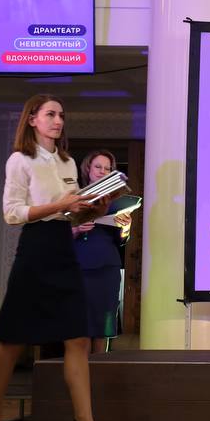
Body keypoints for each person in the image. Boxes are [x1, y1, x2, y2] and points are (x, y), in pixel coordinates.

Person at [0, 94, 113, 421]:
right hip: (35, 250)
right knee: (12, 340)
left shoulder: (66, 161)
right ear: (32, 120)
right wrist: (60, 204)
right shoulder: (20, 160)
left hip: (63, 249)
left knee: (78, 339)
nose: (58, 121)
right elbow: (12, 213)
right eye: (50, 114)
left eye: (61, 115)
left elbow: (72, 213)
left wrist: (96, 208)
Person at [72, 150, 133, 354]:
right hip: (79, 268)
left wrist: (126, 228)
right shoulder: (73, 198)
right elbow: (56, 238)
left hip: (107, 268)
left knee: (103, 326)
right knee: (81, 326)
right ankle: (81, 369)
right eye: (98, 167)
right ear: (88, 168)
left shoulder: (116, 202)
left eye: (107, 168)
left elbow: (122, 241)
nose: (102, 171)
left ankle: (99, 368)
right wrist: (76, 230)